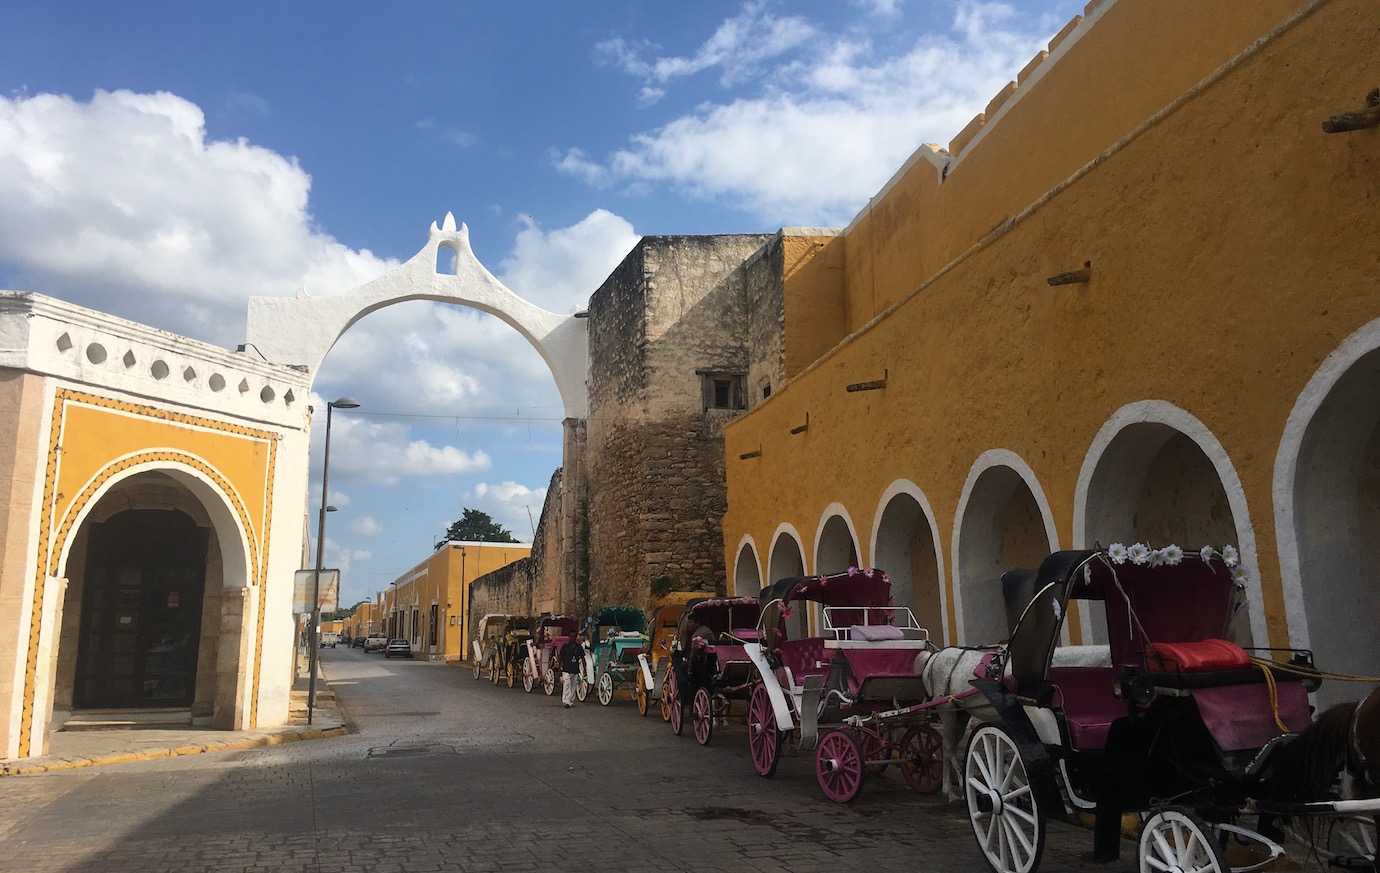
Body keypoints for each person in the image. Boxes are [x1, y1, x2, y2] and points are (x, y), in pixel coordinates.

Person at [559, 633, 585, 709]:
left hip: (575, 669)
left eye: (574, 636)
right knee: (567, 684)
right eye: (571, 636)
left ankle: (570, 701)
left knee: (573, 686)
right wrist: (560, 669)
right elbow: (560, 658)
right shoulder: (565, 646)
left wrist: (584, 669)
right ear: (569, 637)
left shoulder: (579, 647)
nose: (573, 638)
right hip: (566, 669)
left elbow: (583, 658)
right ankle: (566, 701)